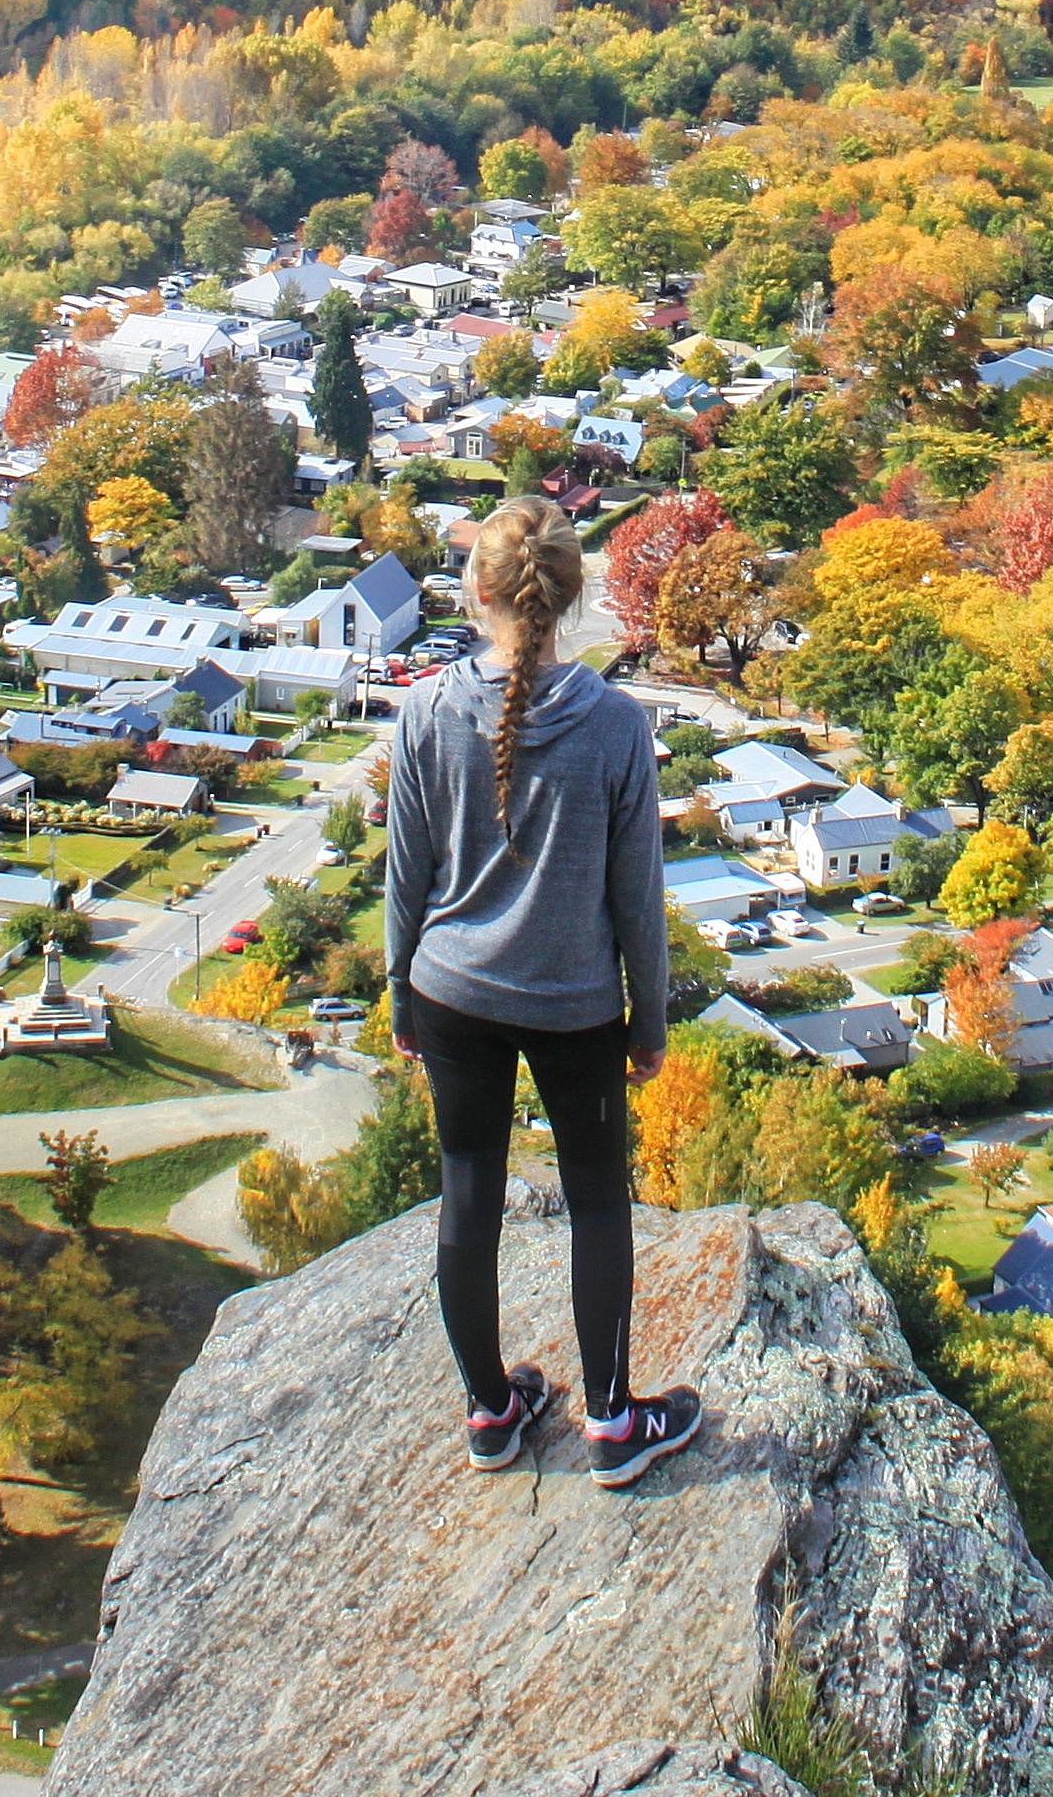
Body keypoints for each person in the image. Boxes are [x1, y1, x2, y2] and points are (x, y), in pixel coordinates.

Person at [381, 494, 702, 1485]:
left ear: (476, 591)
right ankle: (612, 1422)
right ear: (571, 599)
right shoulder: (612, 726)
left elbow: (408, 876)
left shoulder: (428, 709)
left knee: (466, 1195)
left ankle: (491, 1410)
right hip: (572, 1002)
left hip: (452, 992)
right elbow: (637, 899)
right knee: (600, 1201)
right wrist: (649, 1023)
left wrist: (401, 1000)